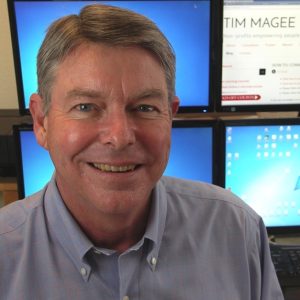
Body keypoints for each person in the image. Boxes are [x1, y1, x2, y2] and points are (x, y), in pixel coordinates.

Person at [0, 4, 283, 300]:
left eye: (145, 107)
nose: (120, 137)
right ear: (41, 121)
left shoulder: (237, 231)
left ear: (170, 117)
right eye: (85, 107)